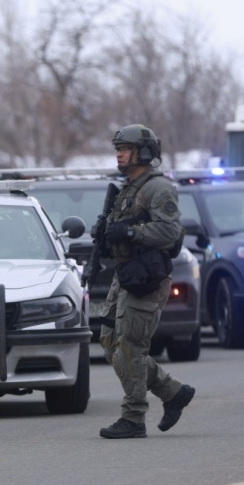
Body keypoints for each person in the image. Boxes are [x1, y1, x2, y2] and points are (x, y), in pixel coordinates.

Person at [96, 124, 196, 439]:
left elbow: (169, 232)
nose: (118, 154)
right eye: (117, 149)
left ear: (145, 152)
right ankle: (172, 392)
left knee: (130, 346)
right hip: (125, 275)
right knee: (111, 343)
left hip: (147, 277)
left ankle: (134, 418)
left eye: (124, 148)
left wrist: (130, 233)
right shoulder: (128, 187)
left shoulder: (157, 188)